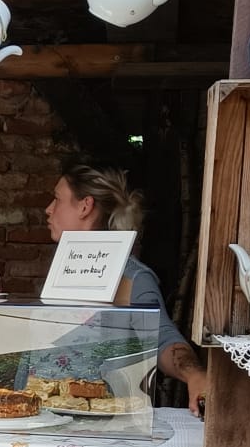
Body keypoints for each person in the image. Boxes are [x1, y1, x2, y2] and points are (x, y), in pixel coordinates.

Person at [44, 164, 208, 414]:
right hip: (45, 415)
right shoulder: (60, 273)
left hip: (102, 421)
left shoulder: (133, 278)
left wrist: (194, 375)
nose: (48, 209)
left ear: (85, 206)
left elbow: (162, 338)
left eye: (57, 199)